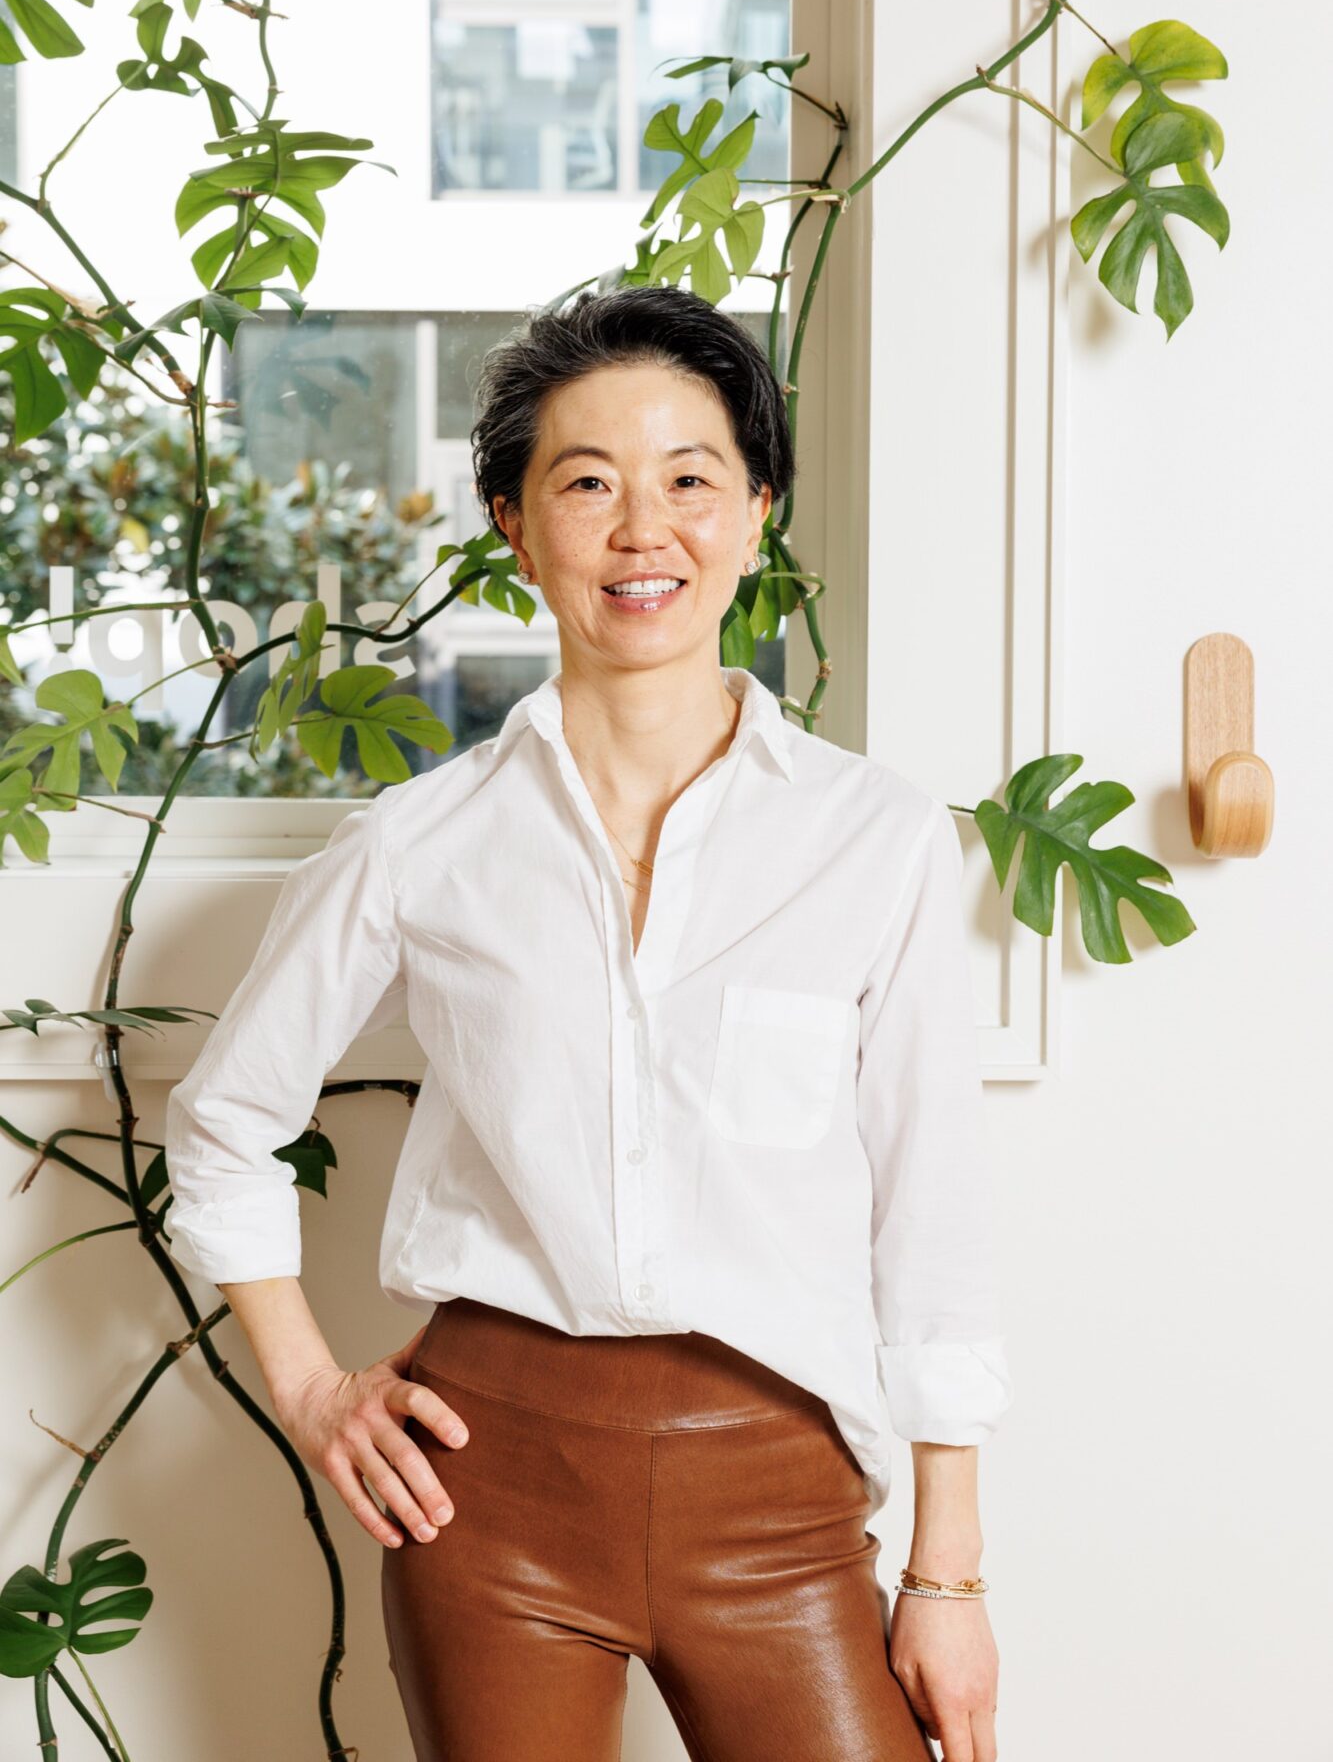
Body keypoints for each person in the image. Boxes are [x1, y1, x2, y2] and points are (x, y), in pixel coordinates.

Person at [164, 283, 1014, 1762]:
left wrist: (945, 1574)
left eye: (690, 479)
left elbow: (932, 1225)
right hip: (486, 1496)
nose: (643, 528)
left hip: (782, 1501)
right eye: (586, 483)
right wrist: (310, 1389)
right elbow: (224, 1122)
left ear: (757, 512)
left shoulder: (876, 841)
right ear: (515, 523)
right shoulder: (422, 842)